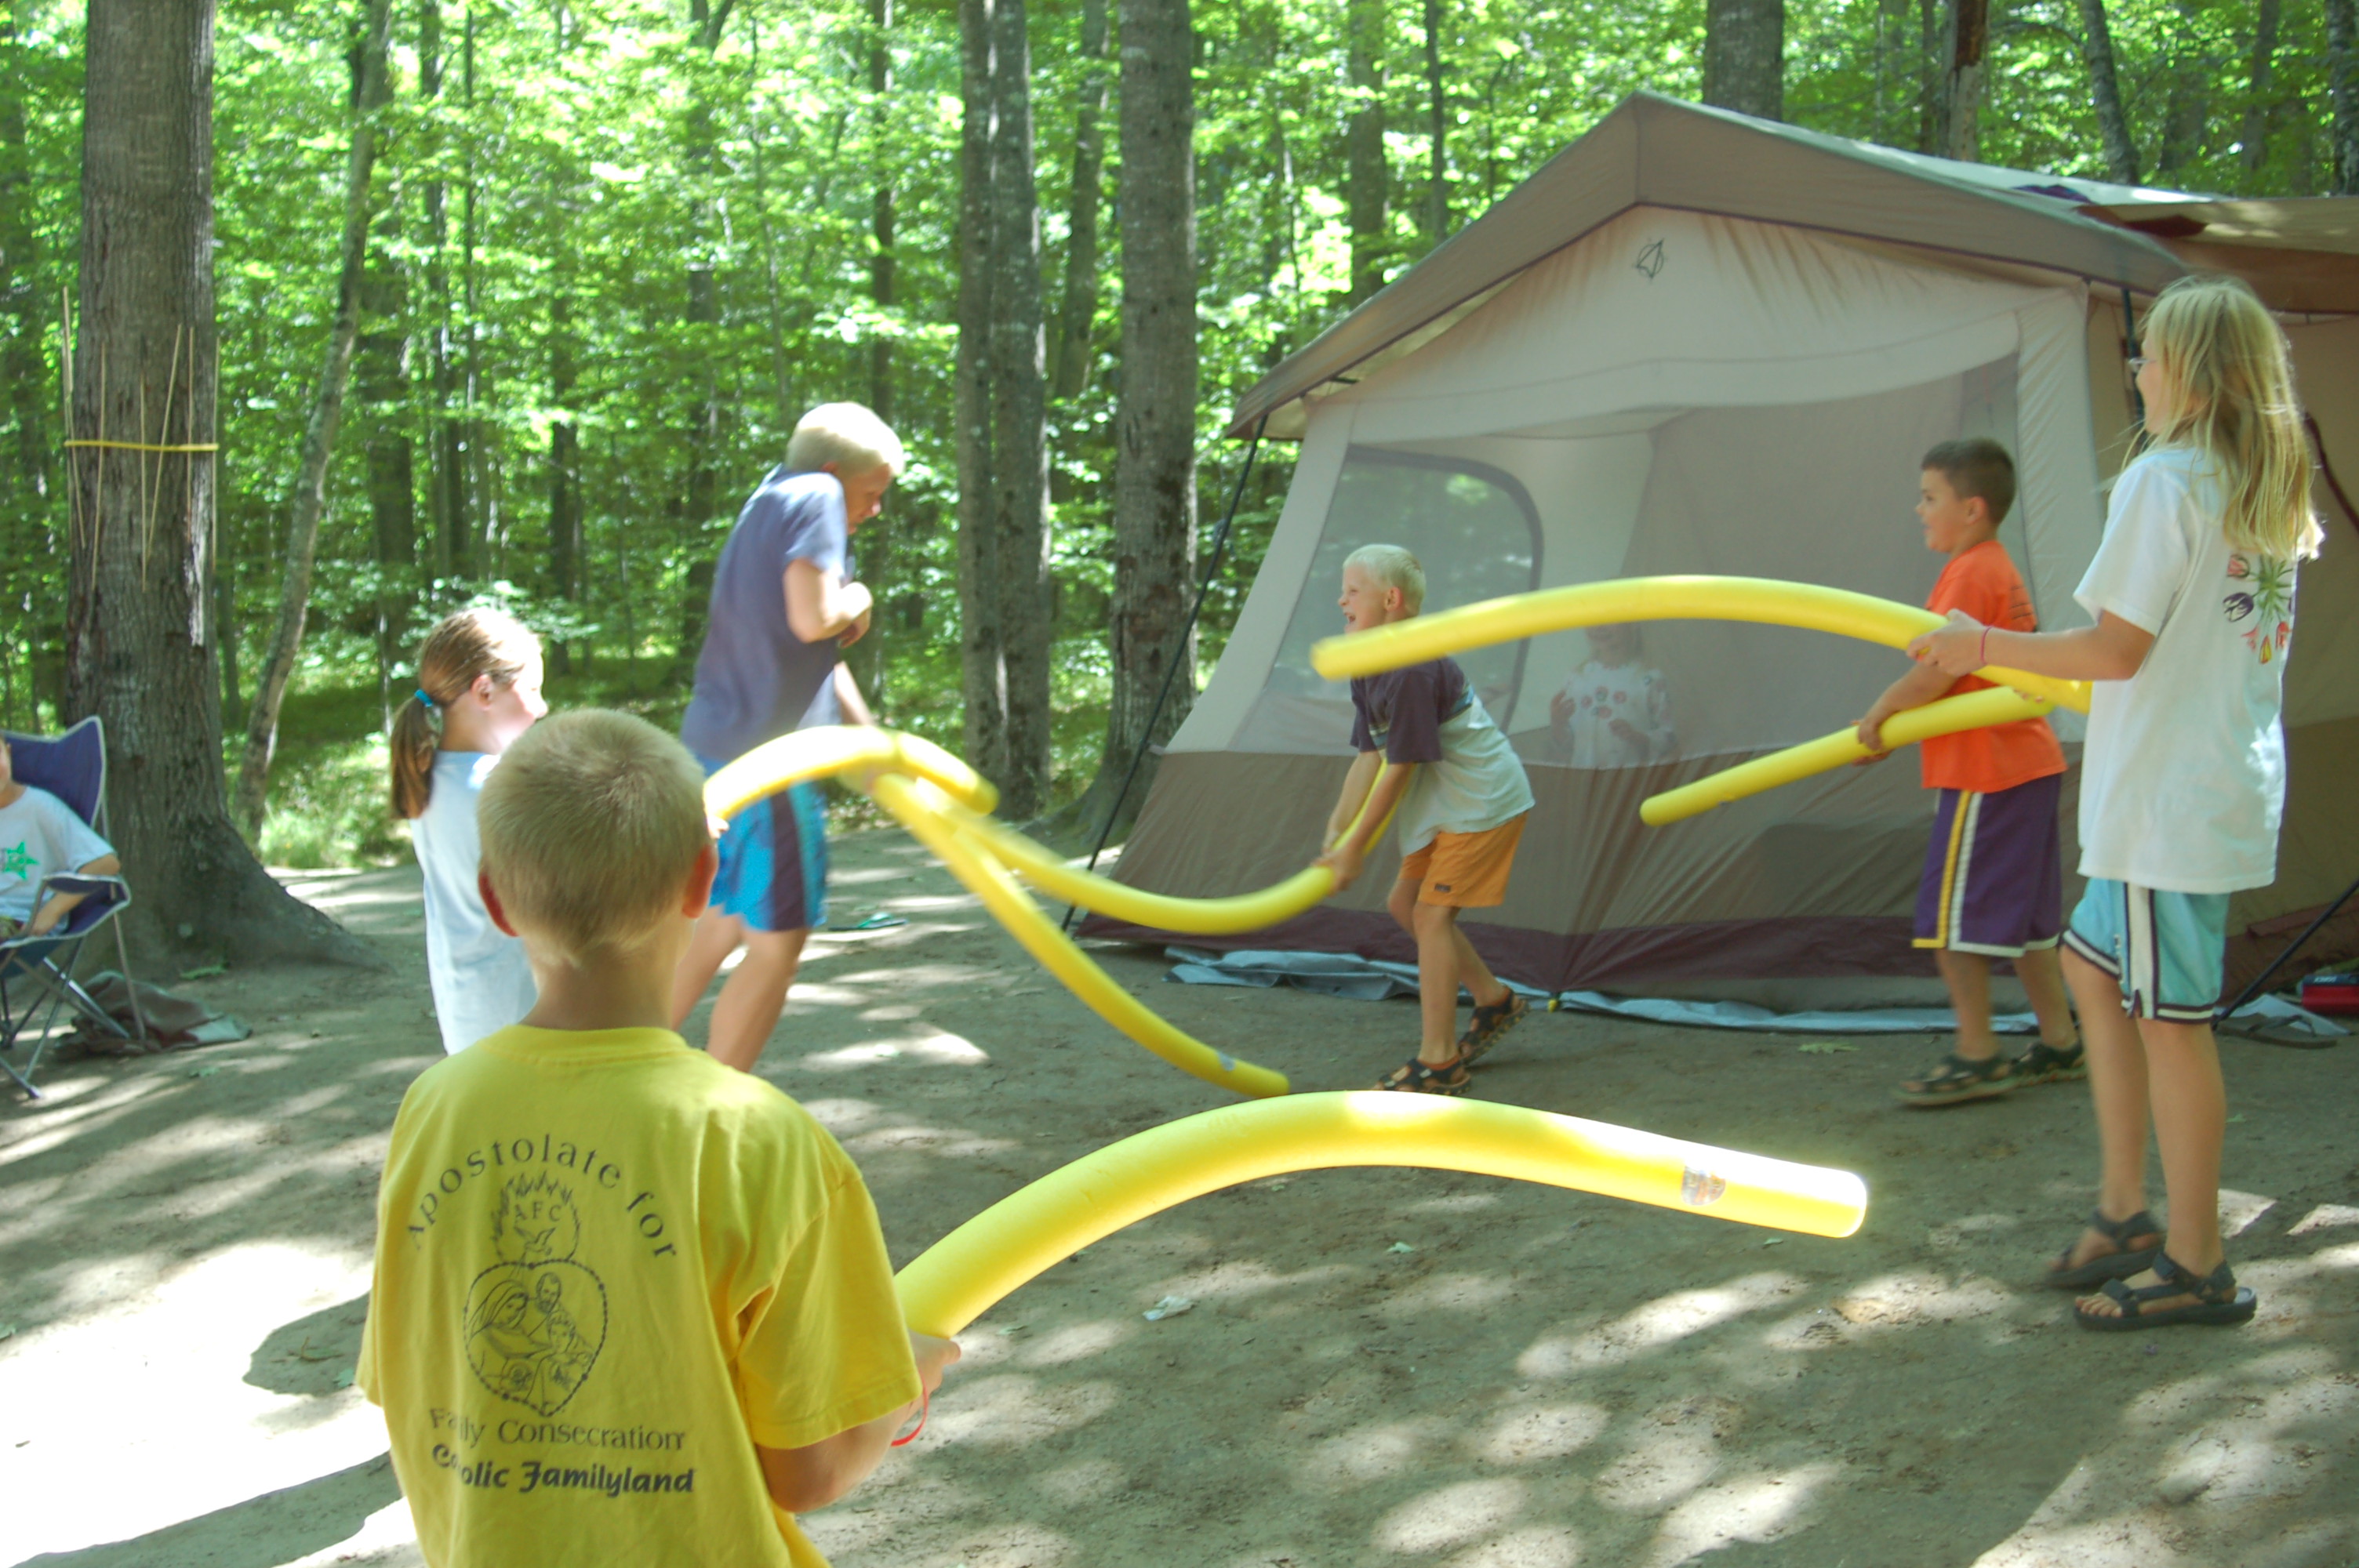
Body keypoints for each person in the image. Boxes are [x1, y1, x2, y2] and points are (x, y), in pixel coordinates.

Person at [358, 710, 959, 1567]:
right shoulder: (763, 1141)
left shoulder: (434, 1111)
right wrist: (904, 1380)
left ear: (494, 901)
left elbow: (406, 1382)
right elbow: (811, 1470)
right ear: (703, 879)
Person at [1911, 274, 2321, 1330]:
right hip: (2205, 786)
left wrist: (1980, 646)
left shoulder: (2166, 480)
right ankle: (2125, 1209)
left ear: (2195, 373)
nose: (2137, 369)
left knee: (2171, 1026)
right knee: (2094, 970)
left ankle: (2196, 1261)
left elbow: (2114, 649)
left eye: (2151, 355)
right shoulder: (2254, 485)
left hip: (2163, 808)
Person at [674, 402, 902, 1073]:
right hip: (772, 759)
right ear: (833, 472)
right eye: (872, 493)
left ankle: (622, 1064)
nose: (876, 510)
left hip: (716, 745)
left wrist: (866, 738)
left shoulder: (769, 500)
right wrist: (859, 599)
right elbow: (815, 621)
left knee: (721, 917)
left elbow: (814, 650)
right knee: (779, 942)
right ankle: (717, 1102)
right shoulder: (817, 497)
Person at [1854, 439, 2082, 1106]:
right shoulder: (1994, 566)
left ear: (1973, 509)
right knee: (2031, 925)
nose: (1920, 509)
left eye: (1931, 497)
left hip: (1989, 770)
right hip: (2027, 764)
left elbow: (1936, 671)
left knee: (1949, 921)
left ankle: (1978, 1054)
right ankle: (2061, 1042)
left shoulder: (1969, 573)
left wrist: (1881, 713)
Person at [1318, 544, 1536, 1094]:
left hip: (1482, 801)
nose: (1341, 600)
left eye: (1353, 590)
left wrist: (1356, 848)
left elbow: (1401, 767)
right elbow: (1369, 756)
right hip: (1446, 803)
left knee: (1432, 916)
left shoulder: (1413, 668)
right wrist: (1337, 831)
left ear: (1391, 600)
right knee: (1405, 905)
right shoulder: (1369, 662)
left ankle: (1439, 1063)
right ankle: (1494, 1000)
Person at [391, 608, 548, 1056]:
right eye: (532, 691)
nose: (542, 708)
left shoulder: (434, 777)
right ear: (484, 691)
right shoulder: (494, 791)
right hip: (520, 1016)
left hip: (471, 1011)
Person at [0, 735, 120, 938]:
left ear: (8, 753)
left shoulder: (39, 807)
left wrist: (52, 910)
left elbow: (105, 863)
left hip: (21, 921)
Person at [1547, 622, 1674, 768]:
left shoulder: (1650, 679)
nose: (1598, 627)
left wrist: (1638, 738)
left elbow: (1669, 736)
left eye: (1609, 618)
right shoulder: (1576, 678)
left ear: (1634, 622)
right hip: (1586, 778)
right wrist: (1558, 724)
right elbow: (1568, 745)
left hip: (1632, 777)